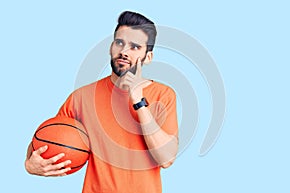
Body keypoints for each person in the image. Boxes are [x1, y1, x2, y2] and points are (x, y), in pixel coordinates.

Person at [25, 11, 179, 193]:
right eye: (119, 43)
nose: (124, 52)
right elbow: (47, 138)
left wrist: (138, 100)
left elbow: (166, 159)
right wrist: (30, 165)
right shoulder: (82, 97)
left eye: (135, 47)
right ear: (111, 47)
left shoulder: (164, 95)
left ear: (148, 57)